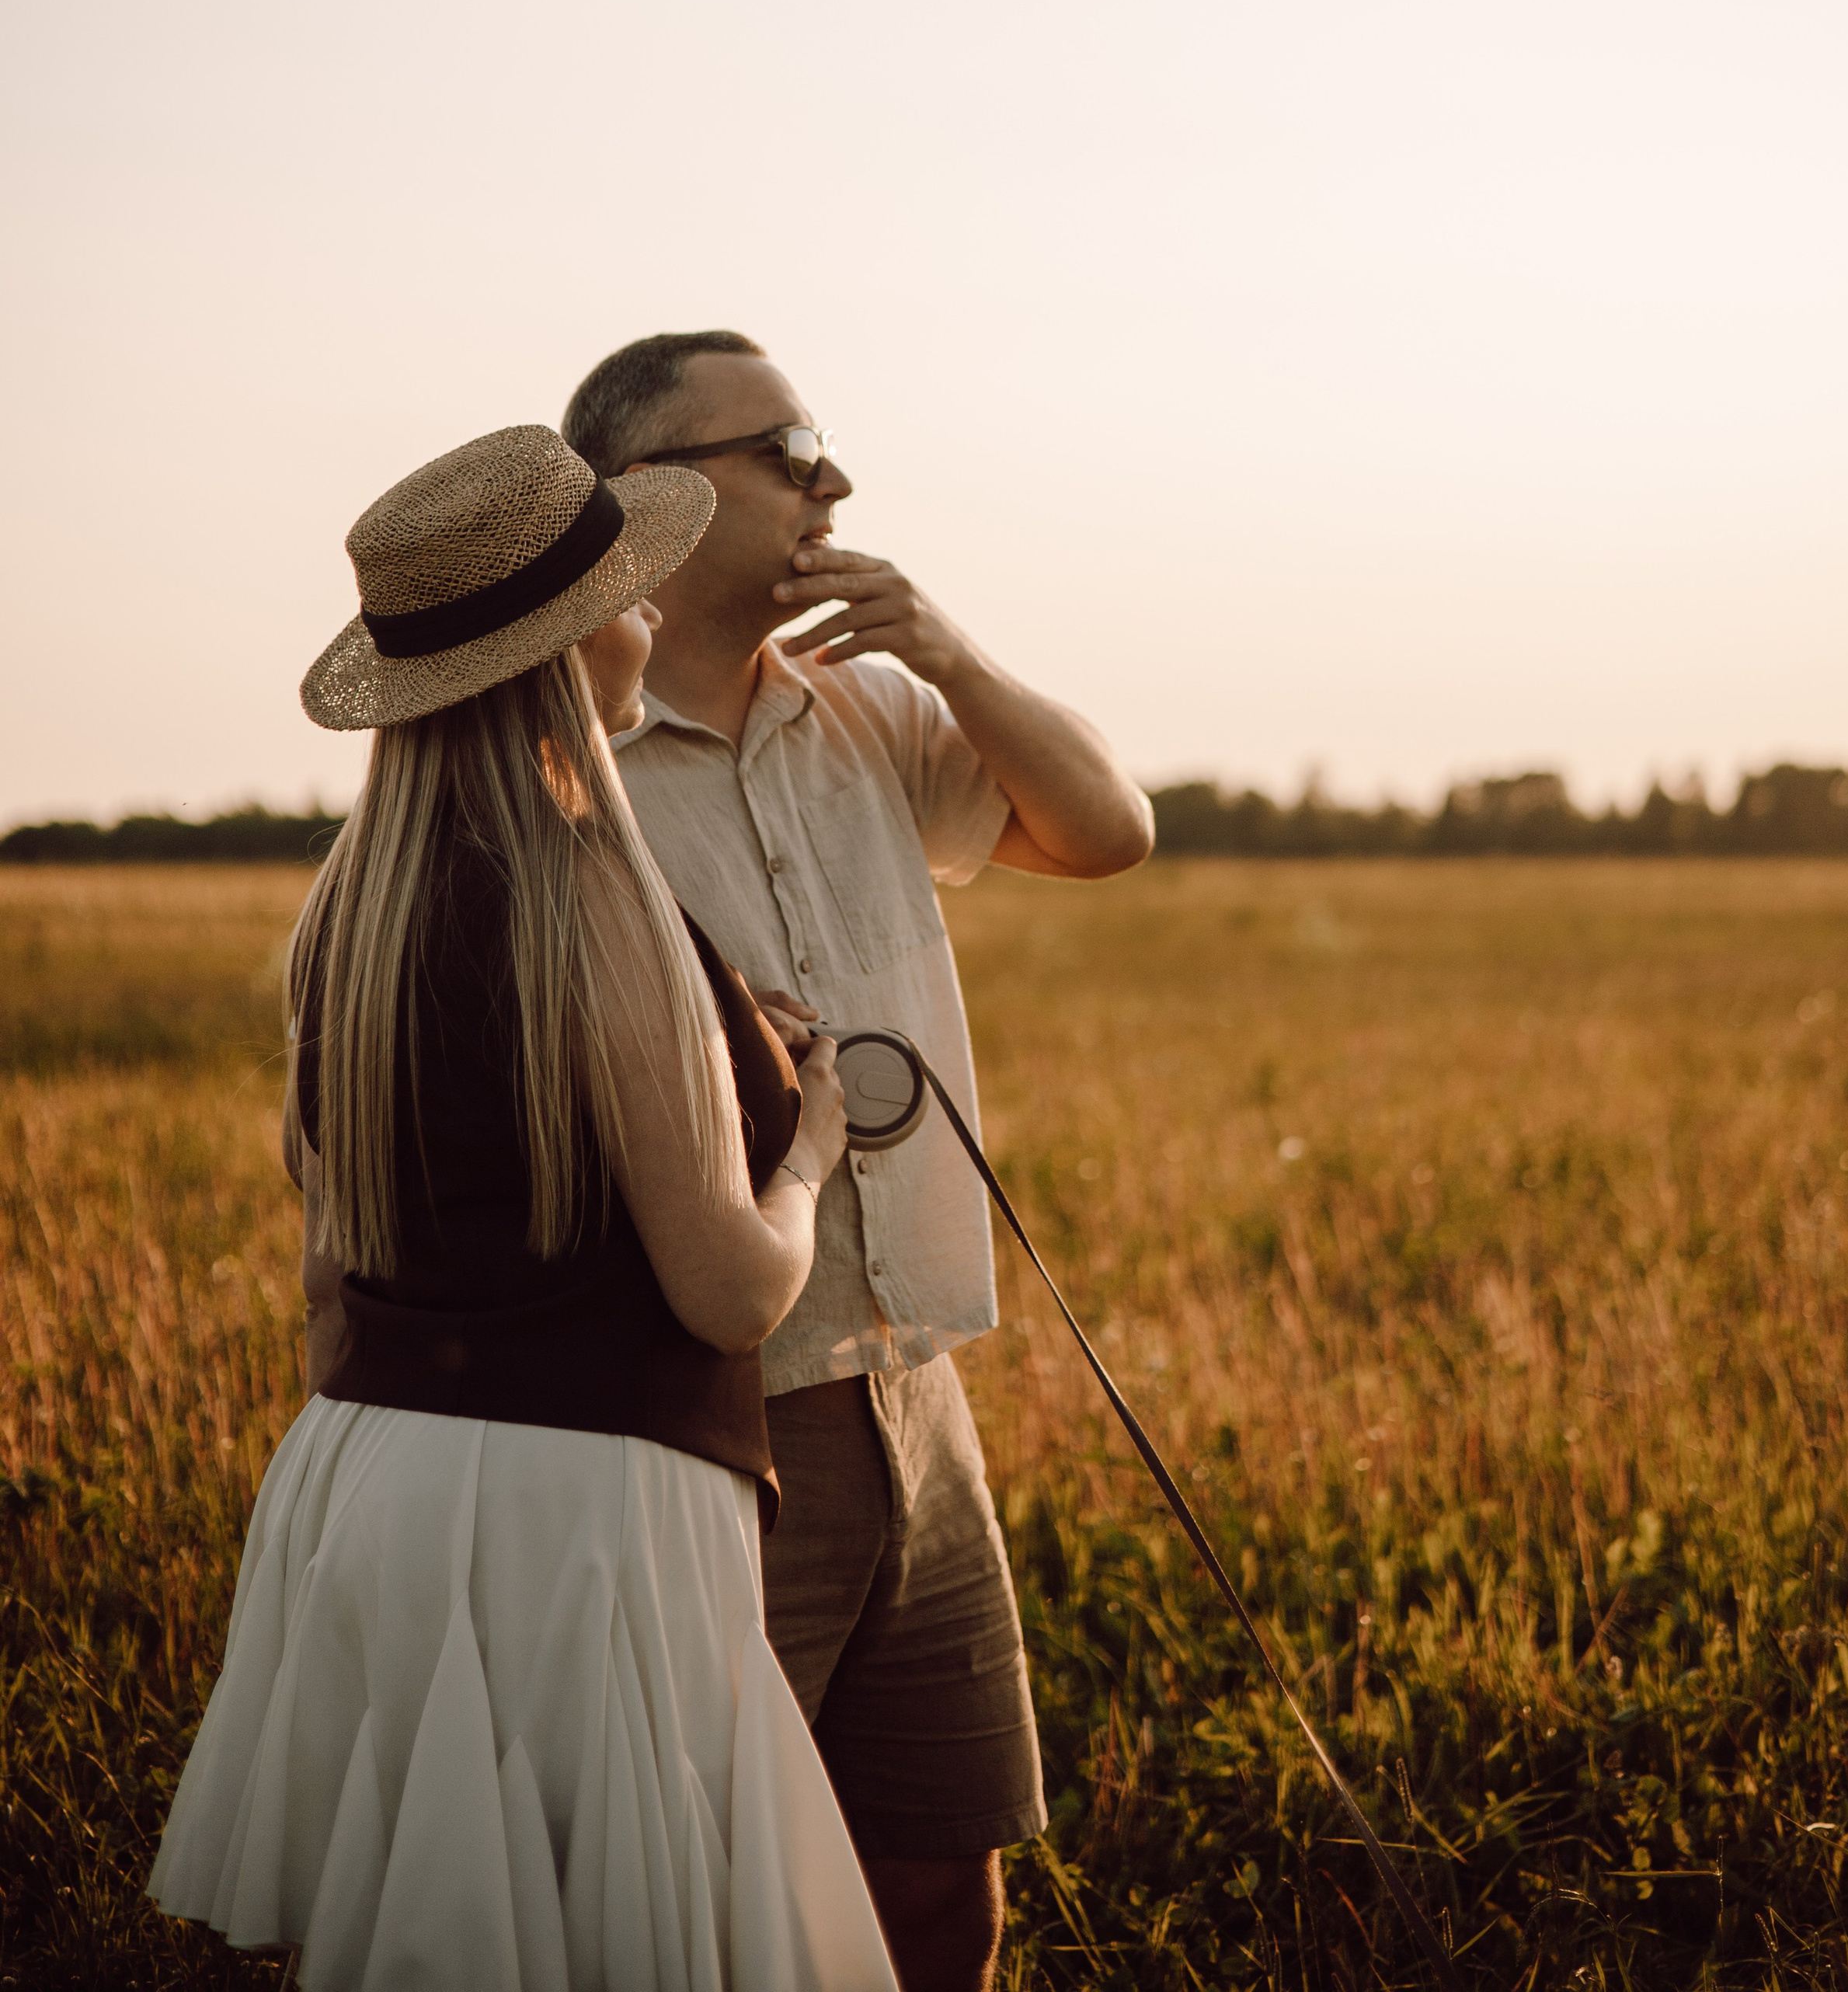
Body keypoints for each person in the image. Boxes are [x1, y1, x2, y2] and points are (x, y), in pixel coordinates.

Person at [148, 423, 899, 1992]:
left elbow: (336, 1256)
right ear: (564, 648)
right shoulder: (596, 891)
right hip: (585, 1516)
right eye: (628, 597)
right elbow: (731, 1293)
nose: (651, 617)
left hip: (365, 1480)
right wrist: (808, 1146)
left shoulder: (346, 913)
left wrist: (711, 1051)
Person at [560, 333, 1154, 1992]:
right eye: (787, 446)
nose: (834, 479)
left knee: (940, 1885)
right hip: (706, 1418)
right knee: (700, 1903)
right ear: (650, 500)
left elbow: (1108, 831)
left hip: (916, 1388)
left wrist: (948, 652)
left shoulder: (871, 708)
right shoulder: (560, 768)